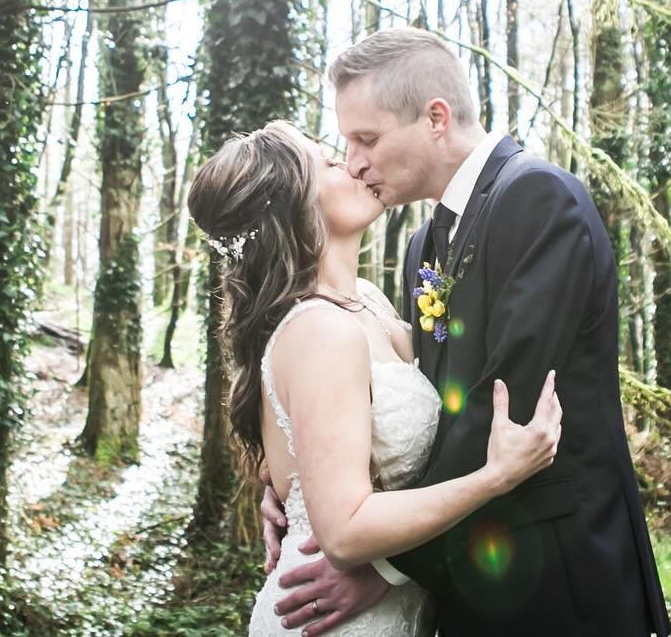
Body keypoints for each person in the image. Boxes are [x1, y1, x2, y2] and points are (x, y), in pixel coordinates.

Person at [265, 28, 670, 637]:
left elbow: (504, 402)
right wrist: (299, 482)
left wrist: (388, 564)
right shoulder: (422, 246)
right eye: (347, 144)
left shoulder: (538, 199)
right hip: (465, 583)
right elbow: (425, 411)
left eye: (366, 139)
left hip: (560, 579)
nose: (354, 163)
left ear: (435, 117)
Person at [188, 120, 563, 637]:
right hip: (333, 614)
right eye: (326, 163)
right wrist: (492, 477)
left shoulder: (368, 300)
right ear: (290, 208)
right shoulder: (320, 329)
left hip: (395, 604)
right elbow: (342, 533)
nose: (351, 163)